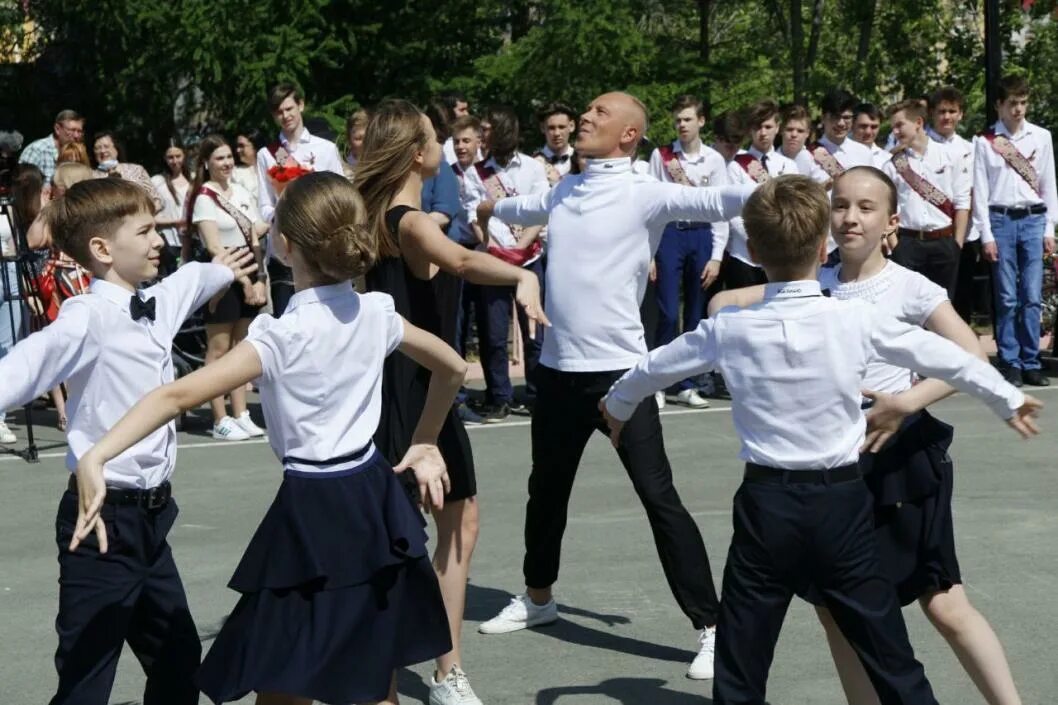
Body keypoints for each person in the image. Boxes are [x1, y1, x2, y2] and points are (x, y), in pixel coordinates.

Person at [604, 173, 1040, 705]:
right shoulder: (854, 318)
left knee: (742, 661)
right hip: (842, 502)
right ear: (822, 244)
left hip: (766, 507)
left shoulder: (730, 329)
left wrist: (618, 406)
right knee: (890, 655)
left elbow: (651, 369)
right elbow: (951, 358)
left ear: (755, 250)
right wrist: (1007, 398)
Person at [71, 172, 460, 705]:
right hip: (372, 500)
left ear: (285, 244)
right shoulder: (377, 313)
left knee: (280, 676)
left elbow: (174, 397)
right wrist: (426, 440)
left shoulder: (279, 336)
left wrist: (97, 453)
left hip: (313, 508)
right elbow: (454, 368)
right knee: (371, 673)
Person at [476, 91, 753, 681]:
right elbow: (523, 208)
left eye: (600, 114)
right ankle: (538, 599)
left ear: (629, 135)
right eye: (586, 112)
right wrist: (489, 210)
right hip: (555, 373)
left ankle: (712, 626)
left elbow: (718, 198)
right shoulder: (565, 188)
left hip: (622, 378)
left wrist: (788, 193)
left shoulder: (646, 192)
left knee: (659, 499)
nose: (584, 118)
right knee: (545, 491)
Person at [0, 177, 255, 705]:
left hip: (152, 523)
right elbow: (23, 368)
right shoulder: (87, 318)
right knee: (86, 683)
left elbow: (196, 279)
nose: (157, 239)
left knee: (180, 664)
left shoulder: (155, 300)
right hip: (100, 524)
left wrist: (225, 270)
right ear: (102, 249)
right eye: (144, 232)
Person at [804, 167, 1023, 705]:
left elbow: (970, 356)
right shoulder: (813, 286)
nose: (850, 217)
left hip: (901, 461)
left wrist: (906, 402)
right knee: (834, 611)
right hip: (833, 467)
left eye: (865, 207)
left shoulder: (910, 286)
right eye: (840, 205)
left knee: (944, 603)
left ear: (891, 222)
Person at [354, 98, 547, 705]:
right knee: (423, 534)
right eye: (435, 137)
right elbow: (463, 260)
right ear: (418, 153)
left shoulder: (370, 215)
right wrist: (522, 275)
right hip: (417, 395)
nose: (444, 143)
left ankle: (441, 671)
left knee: (454, 523)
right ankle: (429, 673)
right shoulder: (410, 221)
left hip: (404, 389)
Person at [463, 105, 549, 420]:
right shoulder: (476, 171)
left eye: (486, 129)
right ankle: (499, 395)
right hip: (494, 258)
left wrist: (521, 246)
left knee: (534, 332)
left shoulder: (532, 168)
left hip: (530, 256)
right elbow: (475, 216)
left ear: (502, 130)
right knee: (493, 332)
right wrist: (494, 246)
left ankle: (537, 393)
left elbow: (541, 211)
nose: (481, 135)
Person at [973, 75, 1058, 388]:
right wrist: (986, 235)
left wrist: (1050, 227)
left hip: (1034, 219)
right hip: (1001, 220)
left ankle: (1031, 360)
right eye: (1012, 103)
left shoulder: (1041, 137)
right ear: (999, 105)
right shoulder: (985, 142)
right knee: (1007, 296)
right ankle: (1010, 361)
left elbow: (1049, 185)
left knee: (1032, 296)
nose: (1018, 109)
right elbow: (980, 191)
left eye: (1023, 103)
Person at [647, 94, 730, 409]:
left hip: (702, 236)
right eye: (678, 119)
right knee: (668, 312)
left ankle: (687, 383)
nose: (681, 124)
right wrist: (650, 251)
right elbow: (652, 205)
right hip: (670, 235)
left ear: (701, 121)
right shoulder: (662, 156)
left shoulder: (714, 160)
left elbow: (720, 209)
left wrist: (717, 255)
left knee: (695, 315)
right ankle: (658, 379)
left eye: (687, 119)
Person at [188, 135, 270, 441]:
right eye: (219, 158)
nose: (226, 163)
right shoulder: (204, 198)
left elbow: (256, 238)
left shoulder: (243, 192)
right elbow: (213, 246)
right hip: (224, 278)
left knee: (242, 347)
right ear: (207, 163)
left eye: (228, 157)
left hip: (250, 271)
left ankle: (241, 412)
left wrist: (260, 278)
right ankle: (219, 417)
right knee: (219, 349)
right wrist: (245, 280)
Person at [255, 82, 345, 316]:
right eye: (279, 111)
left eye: (289, 108)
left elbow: (340, 196)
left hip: (320, 246)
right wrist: (282, 214)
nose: (285, 116)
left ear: (300, 105)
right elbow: (264, 205)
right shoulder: (267, 154)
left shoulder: (325, 149)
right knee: (287, 320)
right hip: (284, 252)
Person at [884, 100, 970, 299]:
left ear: (918, 123)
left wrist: (956, 244)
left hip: (944, 242)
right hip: (907, 244)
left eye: (899, 125)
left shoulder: (951, 156)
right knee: (907, 307)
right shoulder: (892, 165)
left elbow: (962, 202)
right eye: (893, 127)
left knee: (943, 308)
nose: (895, 132)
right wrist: (895, 246)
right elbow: (886, 209)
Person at [724, 99, 798, 289]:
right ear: (750, 130)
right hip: (744, 255)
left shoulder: (789, 166)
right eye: (757, 127)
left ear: (777, 127)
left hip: (780, 255)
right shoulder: (735, 166)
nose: (763, 133)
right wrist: (757, 241)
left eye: (768, 126)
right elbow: (732, 213)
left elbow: (795, 209)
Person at [927, 87, 980, 323]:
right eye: (941, 111)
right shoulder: (921, 146)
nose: (946, 116)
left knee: (961, 298)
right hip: (930, 234)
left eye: (952, 111)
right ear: (931, 114)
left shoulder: (970, 148)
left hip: (964, 236)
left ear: (961, 114)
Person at [91, 130, 164, 212]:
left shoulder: (136, 170)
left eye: (106, 146)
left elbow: (156, 200)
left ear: (116, 149)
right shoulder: (90, 176)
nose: (102, 151)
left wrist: (143, 215)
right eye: (97, 148)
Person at [151, 139, 190, 275]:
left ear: (184, 156)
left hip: (192, 241)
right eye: (170, 157)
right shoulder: (157, 181)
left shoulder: (193, 179)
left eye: (178, 156)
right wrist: (175, 222)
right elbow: (150, 216)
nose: (174, 161)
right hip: (170, 243)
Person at [19, 109, 84, 182]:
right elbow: (22, 185)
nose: (76, 135)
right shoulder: (37, 150)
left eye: (79, 131)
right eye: (72, 130)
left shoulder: (78, 153)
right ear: (57, 129)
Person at [533, 102, 577, 186]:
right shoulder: (533, 163)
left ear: (572, 126)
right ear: (542, 128)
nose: (557, 133)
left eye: (561, 127)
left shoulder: (583, 161)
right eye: (551, 128)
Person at [852, 103, 891, 168]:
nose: (868, 132)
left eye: (874, 127)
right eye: (863, 126)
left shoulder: (887, 159)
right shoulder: (837, 155)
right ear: (852, 125)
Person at [232, 130, 263, 203]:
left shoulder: (269, 169)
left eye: (242, 146)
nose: (238, 150)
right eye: (237, 146)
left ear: (255, 146)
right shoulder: (235, 173)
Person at [343, 108, 370, 178]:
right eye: (358, 138)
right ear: (349, 140)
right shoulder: (342, 171)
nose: (364, 142)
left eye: (368, 137)